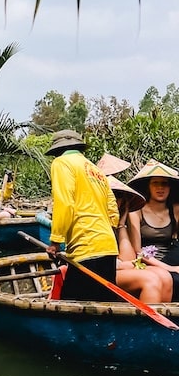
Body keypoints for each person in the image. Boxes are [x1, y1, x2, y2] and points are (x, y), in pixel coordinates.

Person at [46, 129, 119, 301]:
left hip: (86, 247)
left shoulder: (61, 163)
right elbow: (113, 212)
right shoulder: (96, 170)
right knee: (103, 305)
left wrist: (55, 242)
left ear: (57, 150)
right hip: (108, 246)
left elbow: (65, 203)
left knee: (72, 307)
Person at [108, 176, 172, 302]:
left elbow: (128, 258)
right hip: (97, 271)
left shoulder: (116, 222)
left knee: (165, 277)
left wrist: (121, 224)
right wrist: (123, 265)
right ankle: (147, 322)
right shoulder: (91, 219)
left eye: (119, 196)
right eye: (112, 195)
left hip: (119, 268)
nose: (115, 201)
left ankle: (164, 321)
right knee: (151, 279)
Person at [125, 160, 179, 299]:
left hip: (172, 258)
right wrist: (170, 269)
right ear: (147, 186)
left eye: (164, 183)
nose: (160, 188)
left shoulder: (175, 209)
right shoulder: (136, 212)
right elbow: (138, 252)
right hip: (147, 262)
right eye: (155, 183)